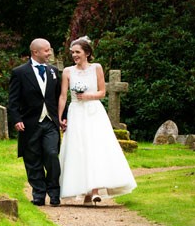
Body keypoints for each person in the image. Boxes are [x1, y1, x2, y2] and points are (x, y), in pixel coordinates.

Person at [58, 36, 137, 205]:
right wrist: (60, 116)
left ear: (87, 53)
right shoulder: (67, 71)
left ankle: (95, 190)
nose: (74, 55)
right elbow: (63, 96)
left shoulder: (97, 68)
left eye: (77, 52)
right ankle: (85, 190)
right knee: (79, 148)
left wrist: (88, 96)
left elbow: (102, 92)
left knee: (95, 147)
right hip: (77, 111)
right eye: (72, 53)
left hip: (94, 112)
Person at [8, 38, 63, 207]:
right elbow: (13, 100)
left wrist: (63, 117)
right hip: (30, 123)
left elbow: (59, 97)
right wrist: (17, 120)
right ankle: (38, 194)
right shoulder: (19, 72)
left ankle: (54, 193)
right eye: (46, 50)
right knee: (32, 160)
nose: (49, 53)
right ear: (35, 52)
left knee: (52, 154)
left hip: (50, 122)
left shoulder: (53, 71)